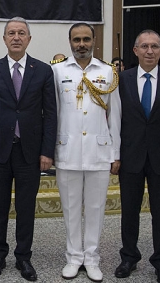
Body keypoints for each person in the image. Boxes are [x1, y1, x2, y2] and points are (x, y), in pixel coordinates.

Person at [0, 17, 56, 282]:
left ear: (29, 39)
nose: (16, 37)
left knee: (25, 208)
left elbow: (50, 114)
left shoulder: (43, 71)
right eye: (11, 33)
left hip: (30, 152)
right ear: (4, 39)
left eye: (22, 33)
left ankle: (24, 257)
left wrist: (47, 152)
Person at [114, 29, 160, 283]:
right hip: (130, 156)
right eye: (144, 46)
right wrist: (115, 155)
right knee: (129, 211)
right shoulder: (121, 79)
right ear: (135, 51)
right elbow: (116, 120)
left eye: (154, 46)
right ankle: (129, 257)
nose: (149, 51)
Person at [53, 23, 120, 281]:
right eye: (76, 39)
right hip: (67, 150)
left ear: (94, 41)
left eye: (86, 39)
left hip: (99, 150)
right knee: (70, 209)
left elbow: (115, 115)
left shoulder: (107, 71)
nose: (81, 44)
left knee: (95, 209)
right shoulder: (57, 71)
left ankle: (91, 258)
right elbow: (53, 113)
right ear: (70, 41)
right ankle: (73, 257)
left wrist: (116, 152)